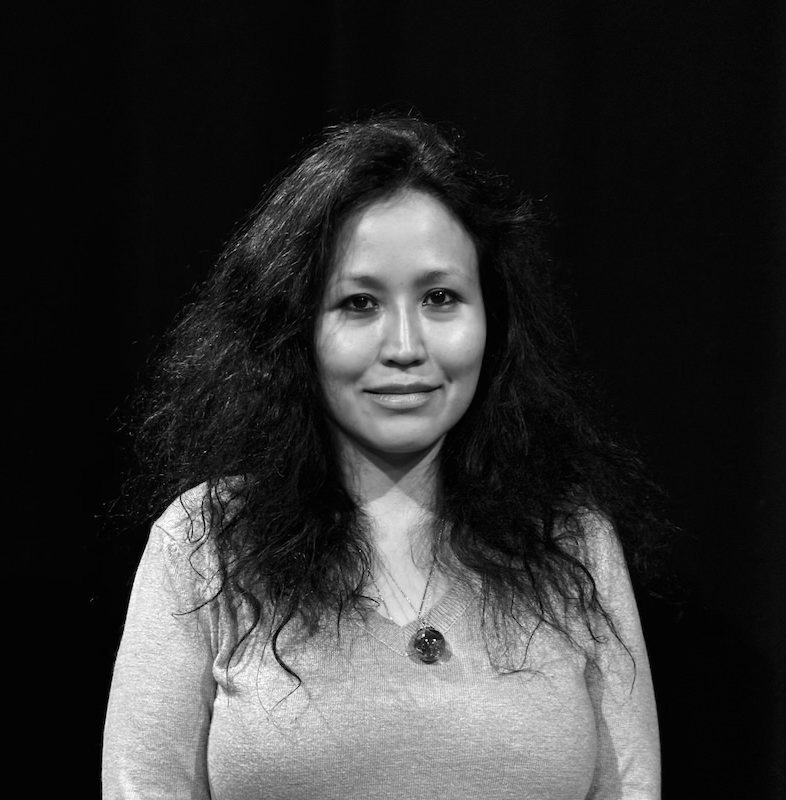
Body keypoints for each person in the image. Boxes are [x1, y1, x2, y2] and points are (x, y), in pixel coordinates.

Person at [103, 114, 664, 799]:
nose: (404, 344)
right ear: (297, 329)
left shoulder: (571, 542)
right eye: (360, 302)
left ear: (494, 318)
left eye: (440, 298)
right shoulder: (206, 544)